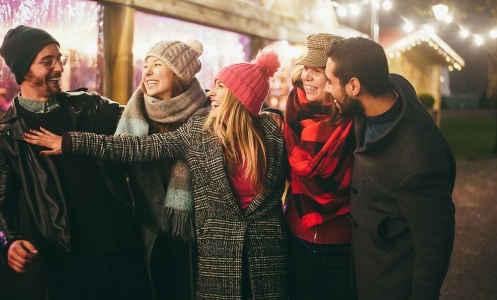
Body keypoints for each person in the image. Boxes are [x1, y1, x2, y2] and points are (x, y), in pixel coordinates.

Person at [25, 49, 289, 300]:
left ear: (239, 96)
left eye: (220, 87)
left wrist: (274, 114)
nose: (211, 93)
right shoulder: (199, 131)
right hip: (217, 261)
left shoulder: (275, 133)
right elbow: (137, 147)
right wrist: (72, 142)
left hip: (267, 259)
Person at [0, 25, 151, 299]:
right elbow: (1, 203)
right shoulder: (7, 134)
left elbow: (142, 122)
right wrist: (10, 240)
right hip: (68, 263)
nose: (59, 67)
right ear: (22, 70)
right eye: (48, 61)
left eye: (60, 58)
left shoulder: (89, 104)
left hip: (124, 247)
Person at [324, 36, 456, 300]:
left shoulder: (417, 160)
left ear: (354, 86)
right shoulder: (386, 92)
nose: (327, 89)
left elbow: (434, 246)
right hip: (363, 268)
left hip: (390, 284)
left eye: (330, 81)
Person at [117, 39, 209, 300]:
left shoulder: (207, 117)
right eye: (146, 65)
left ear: (179, 74)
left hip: (193, 243)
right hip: (144, 239)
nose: (147, 72)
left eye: (158, 65)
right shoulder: (132, 116)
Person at [283, 33, 357, 300]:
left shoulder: (357, 122)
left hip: (342, 242)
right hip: (298, 236)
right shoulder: (293, 109)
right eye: (305, 69)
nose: (306, 77)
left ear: (335, 77)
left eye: (317, 71)